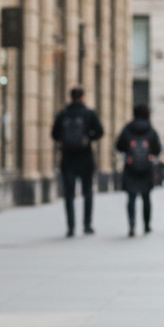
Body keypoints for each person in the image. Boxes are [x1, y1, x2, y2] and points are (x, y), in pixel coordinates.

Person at [52, 86, 103, 236]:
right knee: (88, 192)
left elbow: (54, 134)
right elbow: (100, 132)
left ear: (70, 97)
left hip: (67, 158)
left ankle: (71, 226)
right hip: (85, 158)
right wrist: (88, 139)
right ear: (83, 97)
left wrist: (64, 141)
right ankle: (87, 225)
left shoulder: (63, 114)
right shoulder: (89, 114)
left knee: (69, 194)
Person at [115, 104, 161, 235]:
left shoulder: (128, 128)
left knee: (131, 197)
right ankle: (146, 225)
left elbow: (119, 146)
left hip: (131, 166)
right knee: (146, 197)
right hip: (146, 167)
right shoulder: (151, 130)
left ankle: (132, 225)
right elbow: (157, 149)